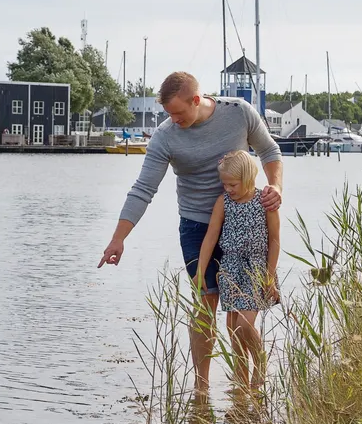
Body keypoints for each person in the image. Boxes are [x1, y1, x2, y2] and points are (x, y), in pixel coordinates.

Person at [98, 71, 283, 397]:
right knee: (205, 301)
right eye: (168, 113)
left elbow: (269, 151)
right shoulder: (166, 136)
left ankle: (243, 385)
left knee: (238, 312)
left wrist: (275, 187)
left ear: (196, 100)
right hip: (198, 226)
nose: (173, 119)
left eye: (179, 112)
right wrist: (118, 239)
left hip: (245, 221)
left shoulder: (238, 112)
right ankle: (202, 389)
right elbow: (143, 189)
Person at [195, 150, 280, 394]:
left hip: (256, 269)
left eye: (232, 184)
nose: (228, 188)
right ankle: (242, 384)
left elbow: (274, 241)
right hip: (230, 268)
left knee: (244, 324)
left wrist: (269, 277)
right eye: (224, 184)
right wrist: (201, 271)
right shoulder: (224, 202)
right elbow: (211, 237)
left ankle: (260, 361)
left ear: (248, 178)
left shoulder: (264, 202)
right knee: (232, 329)